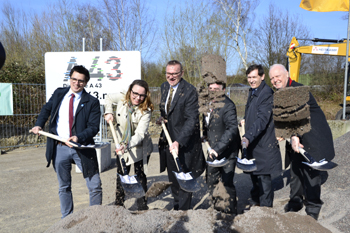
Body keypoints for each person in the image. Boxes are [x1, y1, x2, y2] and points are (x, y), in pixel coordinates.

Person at [31, 65, 102, 218]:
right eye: (74, 79)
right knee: (64, 187)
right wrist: (39, 124)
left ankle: (96, 218)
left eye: (81, 81)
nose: (77, 83)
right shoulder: (59, 93)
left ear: (86, 82)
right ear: (70, 79)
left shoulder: (92, 102)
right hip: (60, 147)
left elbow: (93, 127)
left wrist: (79, 137)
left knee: (95, 185)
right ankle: (67, 220)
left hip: (82, 147)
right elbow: (46, 110)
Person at [269, 64, 335, 220]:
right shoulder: (281, 92)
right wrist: (282, 133)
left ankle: (313, 207)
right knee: (296, 170)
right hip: (297, 137)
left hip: (312, 135)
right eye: (272, 78)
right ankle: (296, 201)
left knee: (311, 171)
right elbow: (284, 116)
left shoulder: (297, 90)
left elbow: (300, 116)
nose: (275, 80)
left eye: (278, 76)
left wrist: (294, 135)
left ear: (287, 74)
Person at [157, 60, 206, 210]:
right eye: (168, 73)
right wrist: (162, 118)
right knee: (173, 176)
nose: (171, 77)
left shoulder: (189, 91)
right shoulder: (164, 87)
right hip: (169, 140)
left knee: (184, 177)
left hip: (185, 142)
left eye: (175, 74)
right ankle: (177, 206)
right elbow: (165, 109)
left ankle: (184, 212)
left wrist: (178, 141)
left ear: (182, 73)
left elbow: (192, 120)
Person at [104, 79, 154, 210]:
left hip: (139, 146)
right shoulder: (122, 98)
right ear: (130, 90)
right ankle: (119, 205)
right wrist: (108, 111)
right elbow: (108, 98)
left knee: (140, 175)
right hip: (121, 143)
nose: (138, 98)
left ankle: (142, 205)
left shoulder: (146, 110)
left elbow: (139, 134)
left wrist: (127, 145)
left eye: (142, 95)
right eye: (135, 93)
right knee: (121, 174)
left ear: (146, 95)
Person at [241, 64, 282, 208]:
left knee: (264, 179)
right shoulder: (253, 91)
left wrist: (247, 136)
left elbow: (262, 120)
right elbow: (254, 113)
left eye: (254, 77)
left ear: (262, 77)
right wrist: (246, 119)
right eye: (249, 78)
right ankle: (256, 201)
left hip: (263, 143)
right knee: (254, 175)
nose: (251, 80)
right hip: (253, 141)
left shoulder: (266, 93)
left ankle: (266, 211)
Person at [203, 81, 240, 215]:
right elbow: (207, 123)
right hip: (212, 150)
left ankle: (230, 213)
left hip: (227, 151)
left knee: (227, 183)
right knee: (211, 180)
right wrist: (204, 134)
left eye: (216, 89)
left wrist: (218, 149)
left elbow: (232, 129)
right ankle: (216, 210)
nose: (213, 91)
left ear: (223, 90)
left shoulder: (228, 105)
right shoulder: (208, 104)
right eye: (210, 88)